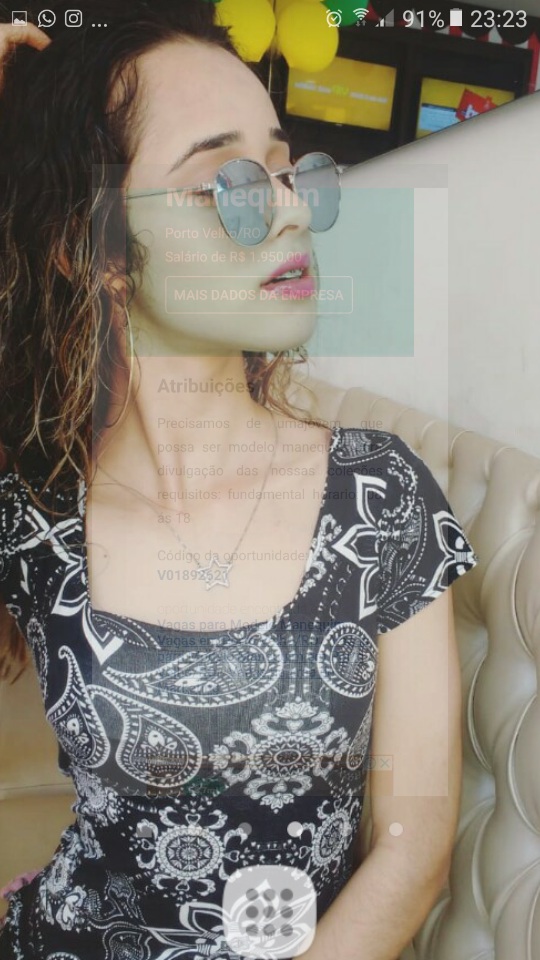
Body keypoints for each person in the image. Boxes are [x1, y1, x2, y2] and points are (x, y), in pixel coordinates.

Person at [0, 2, 480, 958]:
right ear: (95, 249)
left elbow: (413, 848)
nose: (290, 208)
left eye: (284, 169)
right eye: (224, 182)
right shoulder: (34, 510)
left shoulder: (378, 495)